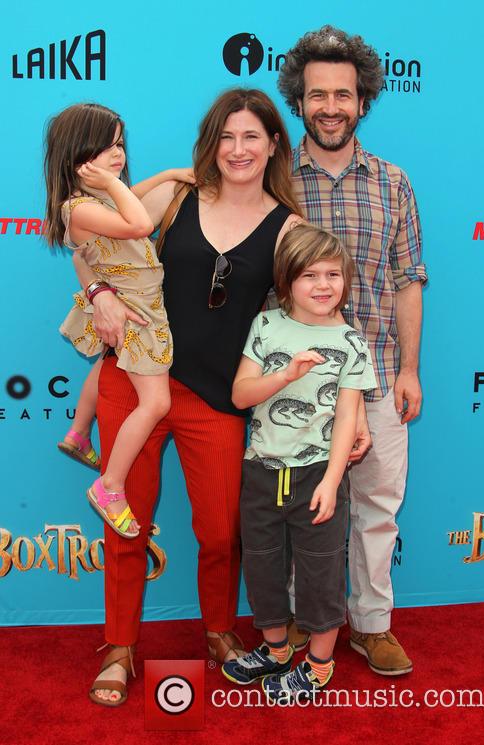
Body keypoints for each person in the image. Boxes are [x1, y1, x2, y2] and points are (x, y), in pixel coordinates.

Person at [71, 89, 302, 705]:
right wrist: (99, 294)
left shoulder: (290, 228)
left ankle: (221, 634)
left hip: (218, 400)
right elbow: (84, 243)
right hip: (138, 381)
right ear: (211, 142)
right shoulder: (171, 198)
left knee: (222, 530)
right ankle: (119, 647)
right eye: (226, 136)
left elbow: (307, 316)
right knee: (126, 522)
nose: (238, 149)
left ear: (274, 143)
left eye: (251, 136)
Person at [278, 26, 427, 675]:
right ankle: (299, 626)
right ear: (299, 101)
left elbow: (407, 280)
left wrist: (412, 370)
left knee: (376, 510)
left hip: (381, 377)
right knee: (296, 515)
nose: (331, 106)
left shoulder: (394, 183)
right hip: (298, 387)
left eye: (343, 93)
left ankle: (372, 624)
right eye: (318, 95)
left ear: (362, 99)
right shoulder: (275, 180)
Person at [221, 223, 376, 701]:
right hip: (262, 470)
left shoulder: (352, 341)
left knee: (320, 573)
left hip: (316, 476)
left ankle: (319, 664)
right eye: (310, 275)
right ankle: (276, 650)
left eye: (334, 274)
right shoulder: (267, 326)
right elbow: (241, 393)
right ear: (287, 280)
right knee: (263, 567)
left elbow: (348, 417)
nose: (324, 285)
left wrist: (332, 481)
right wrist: (285, 374)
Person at [44, 102, 194, 538]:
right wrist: (114, 181)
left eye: (121, 145)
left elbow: (135, 197)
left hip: (136, 303)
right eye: (107, 148)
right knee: (157, 403)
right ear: (77, 154)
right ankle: (110, 486)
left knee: (103, 366)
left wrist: (167, 176)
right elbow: (140, 221)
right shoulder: (78, 208)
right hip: (139, 313)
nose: (119, 156)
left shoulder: (97, 199)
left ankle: (78, 433)